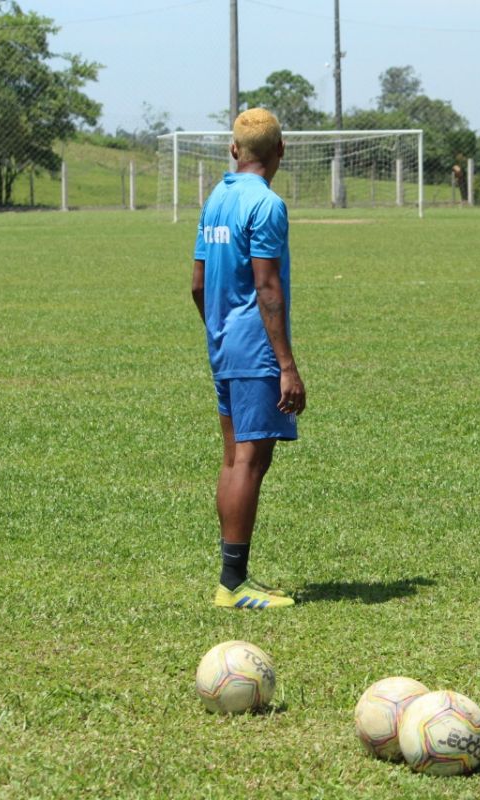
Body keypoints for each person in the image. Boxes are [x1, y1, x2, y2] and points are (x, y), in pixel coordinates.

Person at [190, 108, 305, 611]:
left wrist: (219, 331)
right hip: (253, 346)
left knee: (233, 456)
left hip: (221, 341)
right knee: (250, 463)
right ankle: (233, 583)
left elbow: (196, 285)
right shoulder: (268, 204)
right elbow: (267, 285)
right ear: (280, 151)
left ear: (234, 150)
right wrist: (286, 364)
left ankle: (233, 577)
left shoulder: (217, 198)